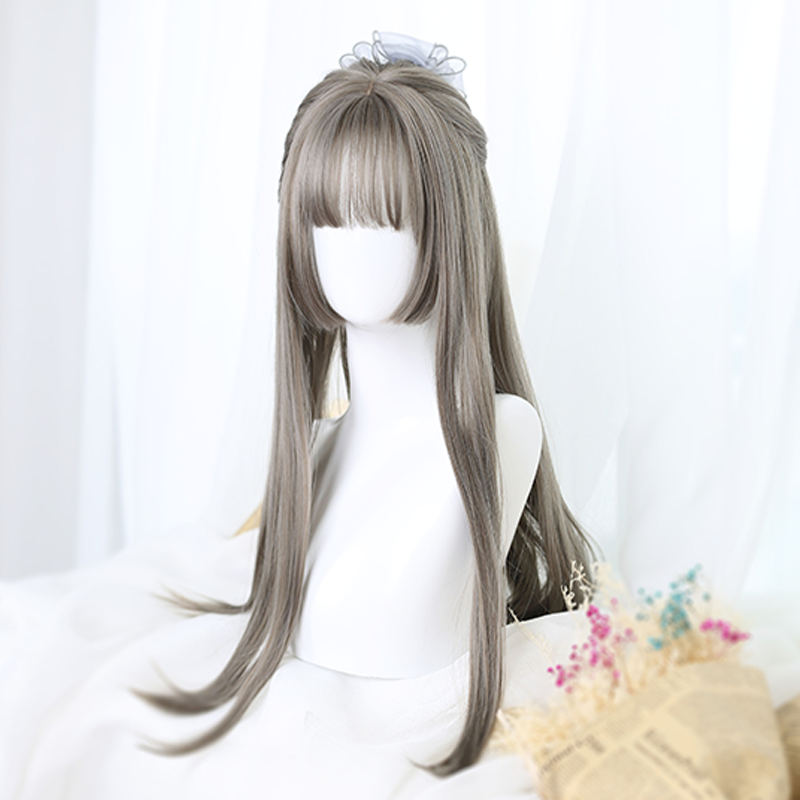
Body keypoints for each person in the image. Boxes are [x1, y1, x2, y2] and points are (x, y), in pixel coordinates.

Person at [0, 33, 593, 799]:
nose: (347, 251)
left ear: (451, 225)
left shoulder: (500, 433)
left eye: (384, 217)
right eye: (324, 219)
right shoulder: (318, 447)